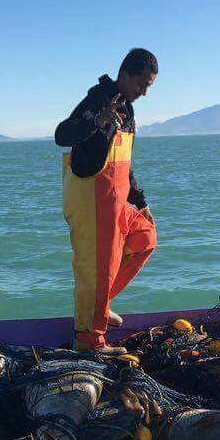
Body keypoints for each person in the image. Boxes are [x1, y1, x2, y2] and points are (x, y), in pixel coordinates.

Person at [55, 48, 158, 354]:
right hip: (91, 199)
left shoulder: (129, 110)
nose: (144, 92)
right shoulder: (97, 99)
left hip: (117, 198)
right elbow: (62, 134)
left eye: (149, 86)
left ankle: (100, 307)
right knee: (96, 269)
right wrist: (98, 120)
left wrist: (141, 202)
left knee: (145, 238)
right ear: (124, 74)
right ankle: (89, 341)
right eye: (141, 84)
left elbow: (125, 162)